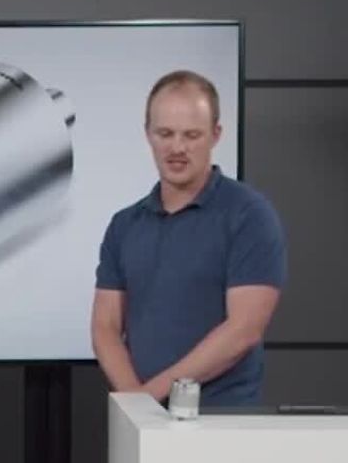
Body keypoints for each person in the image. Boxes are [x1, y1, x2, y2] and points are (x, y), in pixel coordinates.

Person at [92, 70, 286, 407]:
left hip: (222, 422)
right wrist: (135, 405)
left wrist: (148, 396)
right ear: (148, 134)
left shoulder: (249, 215)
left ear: (215, 135)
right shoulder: (124, 225)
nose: (177, 148)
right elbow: (105, 326)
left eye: (191, 135)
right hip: (142, 421)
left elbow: (243, 330)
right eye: (165, 133)